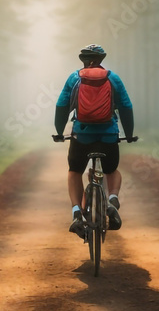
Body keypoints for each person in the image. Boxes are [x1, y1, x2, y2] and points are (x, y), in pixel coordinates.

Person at [52, 44, 134, 238]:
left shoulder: (74, 78)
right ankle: (112, 199)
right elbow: (126, 106)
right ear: (101, 60)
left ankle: (76, 213)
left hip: (82, 135)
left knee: (75, 171)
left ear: (83, 60)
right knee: (111, 170)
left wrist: (58, 131)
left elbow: (61, 105)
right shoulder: (112, 77)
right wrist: (129, 134)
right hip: (108, 135)